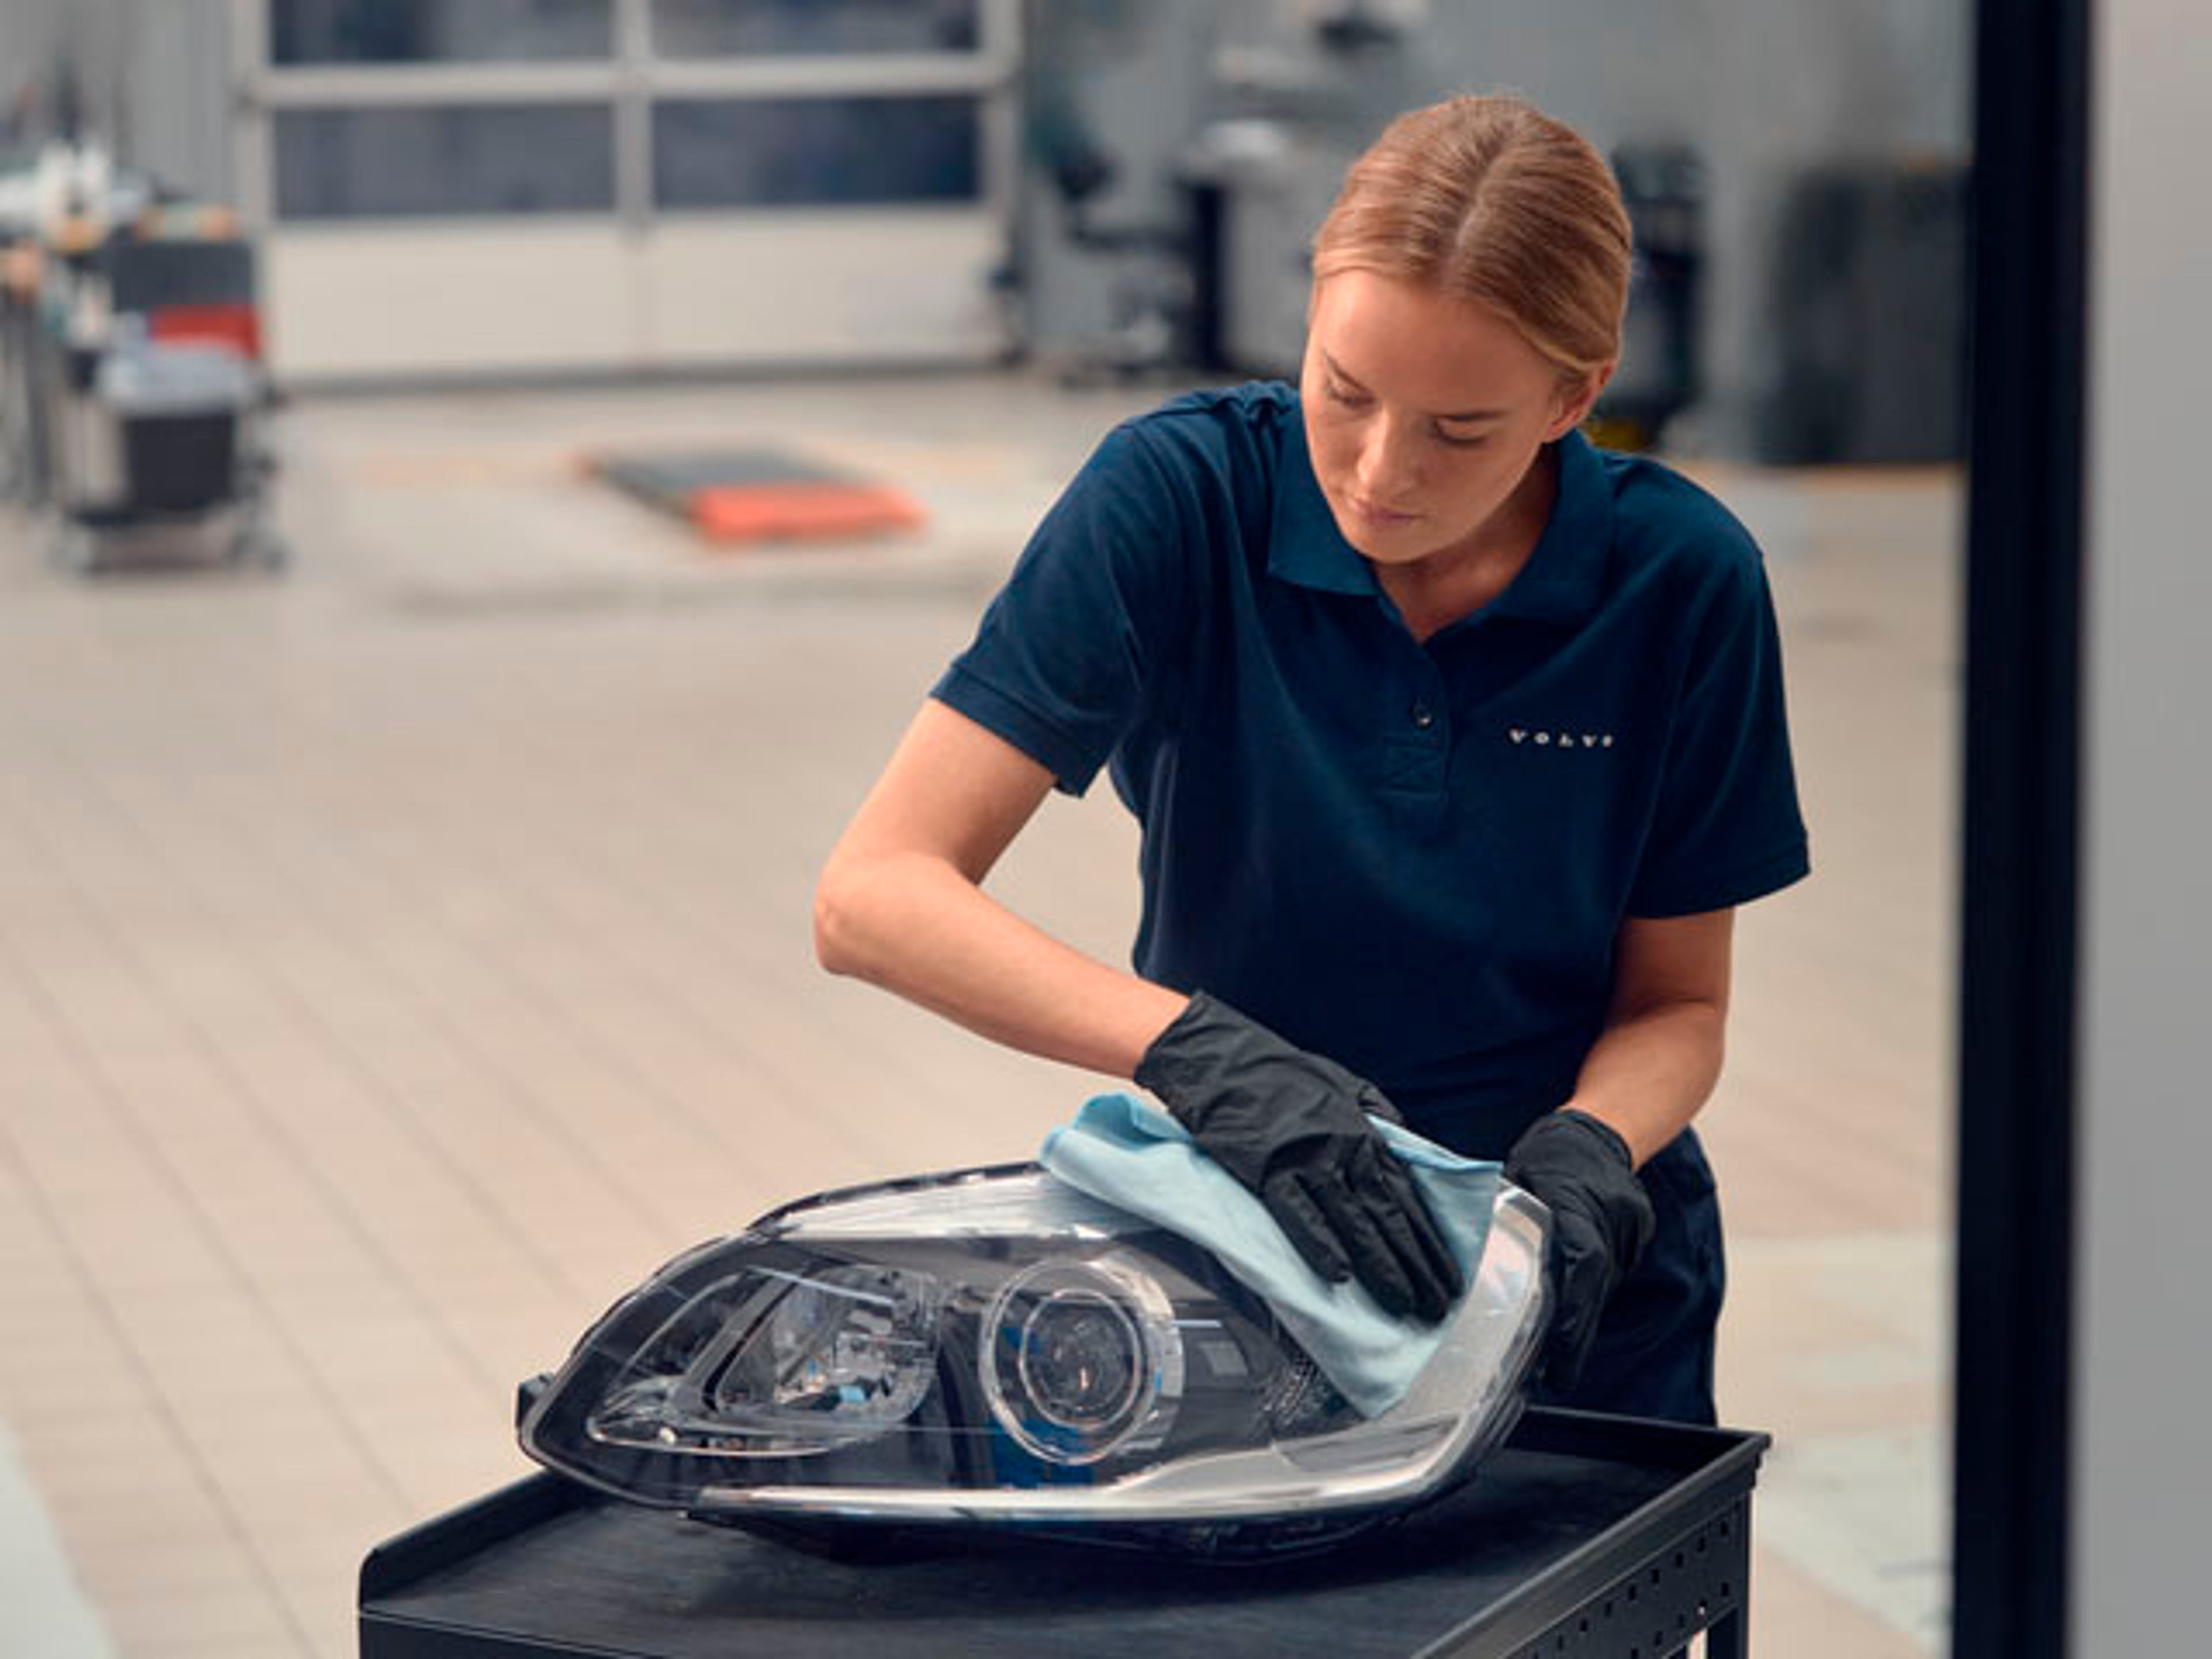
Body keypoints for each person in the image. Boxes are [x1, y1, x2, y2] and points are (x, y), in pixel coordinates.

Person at [813, 93, 1807, 1426]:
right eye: (1345, 390)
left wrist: (1590, 1153)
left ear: (1573, 398)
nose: (1380, 471)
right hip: (1247, 1262)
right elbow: (874, 894)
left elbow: (1677, 1004)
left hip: (1576, 1286)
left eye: (1461, 429)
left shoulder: (1681, 581)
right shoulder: (1180, 501)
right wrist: (1199, 1057)